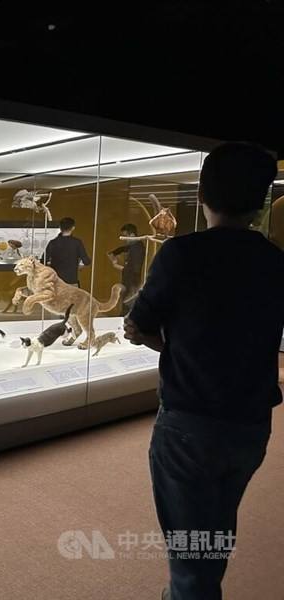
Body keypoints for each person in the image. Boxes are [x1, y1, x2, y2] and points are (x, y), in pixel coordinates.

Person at [124, 142, 284, 600]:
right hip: (252, 425)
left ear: (202, 193)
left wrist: (156, 339)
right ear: (261, 199)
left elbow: (141, 325)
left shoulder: (181, 254)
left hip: (189, 423)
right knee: (215, 530)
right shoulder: (276, 262)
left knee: (190, 556)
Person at [107, 223, 146, 315]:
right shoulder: (133, 246)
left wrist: (119, 267)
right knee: (126, 305)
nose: (124, 239)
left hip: (132, 282)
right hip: (128, 280)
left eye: (125, 236)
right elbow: (120, 249)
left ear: (132, 235)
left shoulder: (138, 248)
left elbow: (135, 269)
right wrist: (113, 256)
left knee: (128, 307)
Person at [42, 217, 91, 285]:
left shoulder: (53, 243)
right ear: (73, 228)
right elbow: (86, 261)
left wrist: (51, 265)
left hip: (55, 281)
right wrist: (79, 265)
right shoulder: (76, 242)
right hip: (71, 281)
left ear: (60, 227)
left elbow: (43, 261)